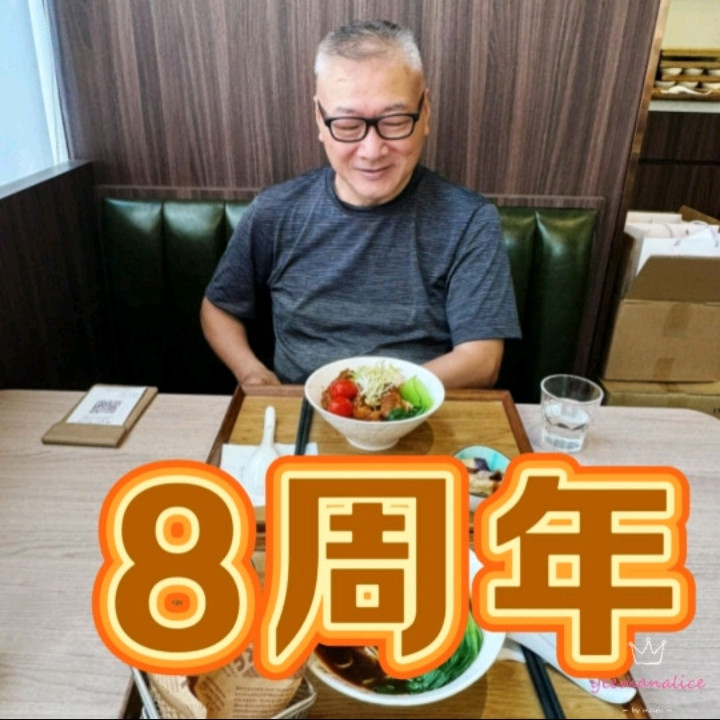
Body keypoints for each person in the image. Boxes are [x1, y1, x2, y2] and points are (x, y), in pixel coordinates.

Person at [201, 19, 520, 389]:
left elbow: (481, 360)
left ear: (425, 111)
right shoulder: (275, 211)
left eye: (395, 121)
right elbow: (218, 309)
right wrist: (251, 373)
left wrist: (372, 401)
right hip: (298, 410)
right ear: (320, 119)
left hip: (417, 410)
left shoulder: (469, 220)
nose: (372, 150)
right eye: (348, 125)